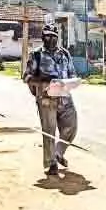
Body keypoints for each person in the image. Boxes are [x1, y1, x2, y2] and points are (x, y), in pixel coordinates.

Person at [24, 24, 78, 176]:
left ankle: (59, 153)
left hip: (65, 97)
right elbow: (26, 77)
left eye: (53, 36)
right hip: (46, 99)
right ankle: (51, 163)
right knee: (49, 132)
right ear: (43, 37)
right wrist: (43, 80)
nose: (51, 39)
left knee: (72, 127)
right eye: (47, 36)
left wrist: (72, 82)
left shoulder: (65, 54)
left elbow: (72, 73)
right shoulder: (36, 55)